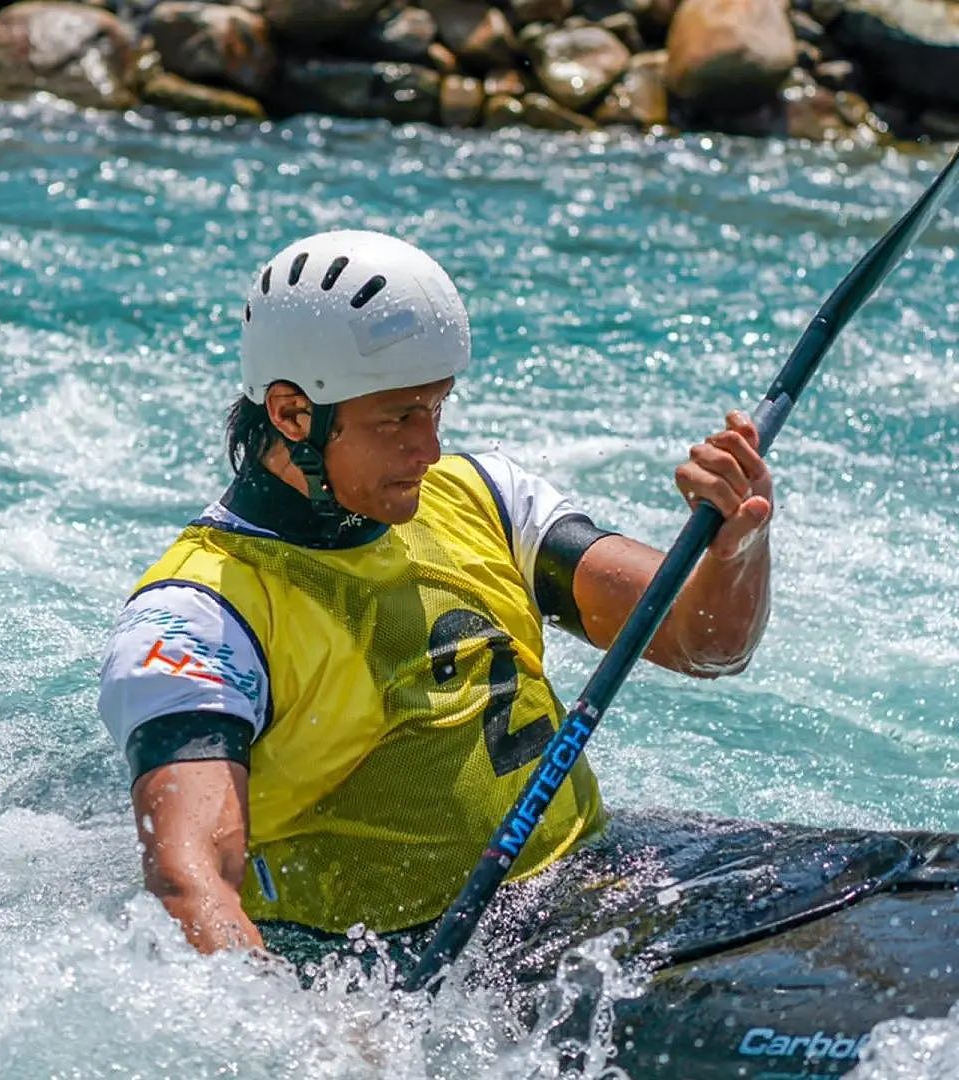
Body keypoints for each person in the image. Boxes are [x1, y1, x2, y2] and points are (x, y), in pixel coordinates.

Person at [98, 230, 773, 956]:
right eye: (397, 419)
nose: (430, 449)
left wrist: (736, 542)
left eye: (436, 409)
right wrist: (311, 1041)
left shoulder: (482, 496)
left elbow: (705, 642)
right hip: (425, 961)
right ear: (293, 414)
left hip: (598, 876)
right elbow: (189, 887)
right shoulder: (198, 619)